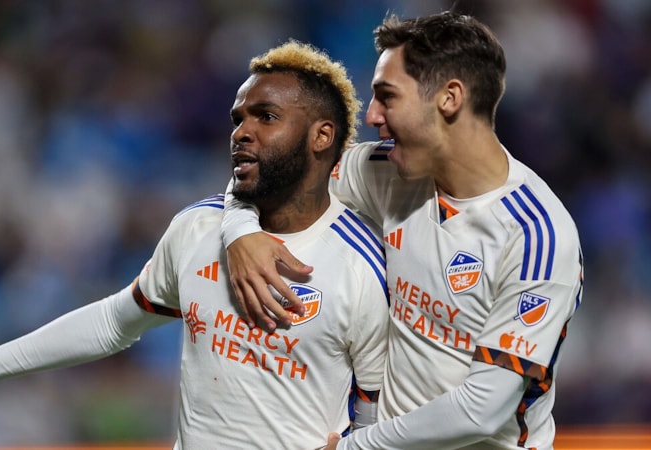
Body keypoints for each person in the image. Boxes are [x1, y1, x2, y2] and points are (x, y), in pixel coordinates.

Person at [0, 40, 391, 449]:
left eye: (266, 117)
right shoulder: (197, 228)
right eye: (239, 118)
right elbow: (113, 323)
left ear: (322, 136)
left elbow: (374, 424)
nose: (242, 132)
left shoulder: (362, 267)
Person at [221, 11, 584, 450]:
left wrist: (356, 447)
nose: (372, 115)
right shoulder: (385, 171)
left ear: (449, 98)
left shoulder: (536, 237)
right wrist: (239, 229)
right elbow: (275, 167)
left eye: (387, 97)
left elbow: (483, 409)